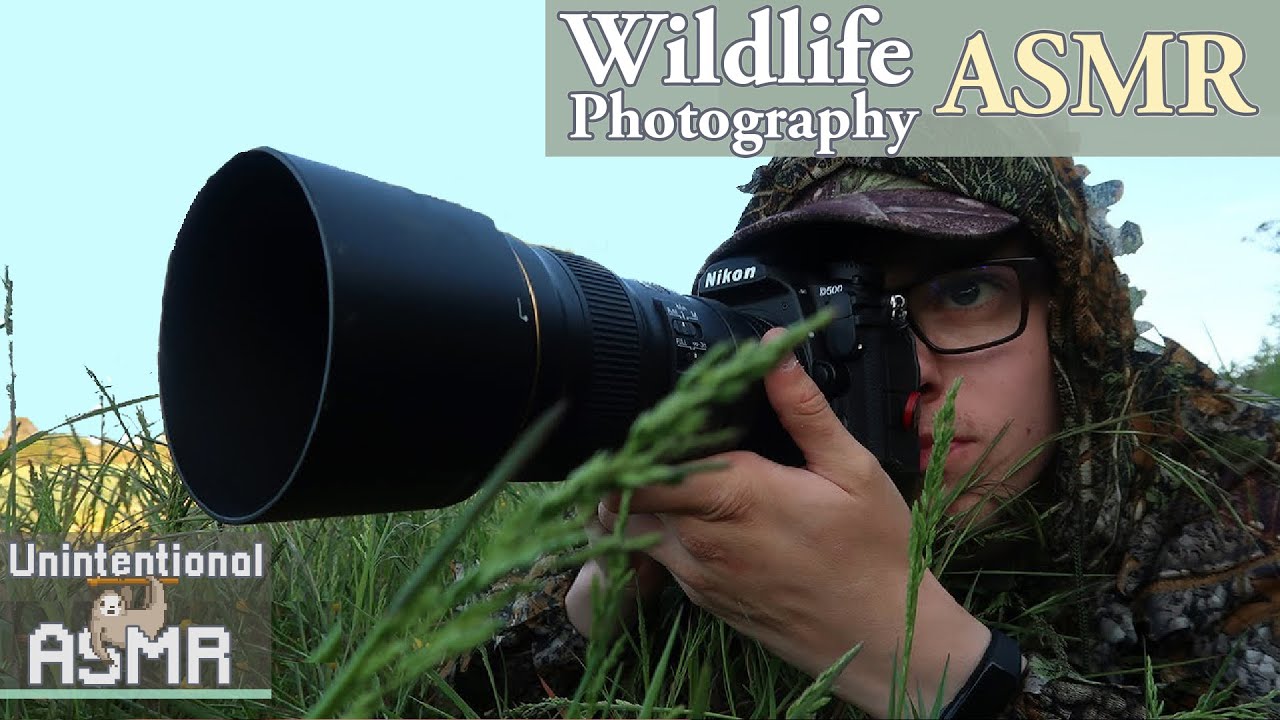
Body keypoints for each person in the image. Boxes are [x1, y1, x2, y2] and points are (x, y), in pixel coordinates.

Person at [437, 157, 1280, 719]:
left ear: (1071, 327)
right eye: (837, 319)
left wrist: (929, 664)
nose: (909, 372)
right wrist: (605, 605)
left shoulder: (1228, 469)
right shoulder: (736, 474)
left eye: (964, 292)